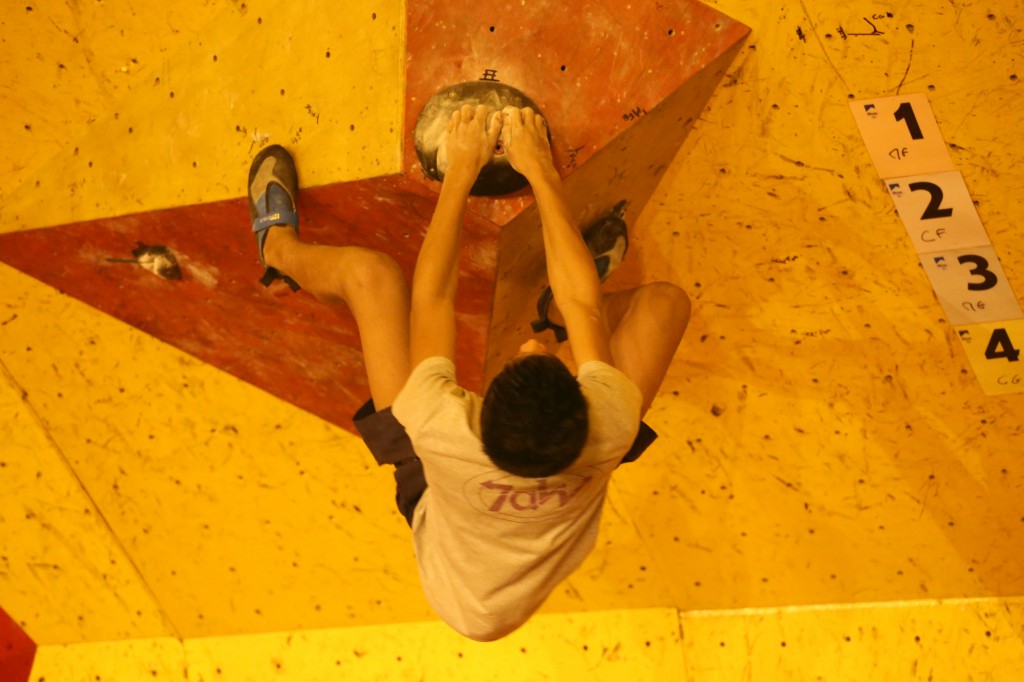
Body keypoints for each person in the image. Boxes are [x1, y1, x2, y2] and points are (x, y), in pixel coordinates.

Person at [247, 104, 691, 641]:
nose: (525, 342)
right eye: (541, 351)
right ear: (584, 399)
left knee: (371, 276)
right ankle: (553, 315)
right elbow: (586, 306)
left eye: (524, 354)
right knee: (664, 305)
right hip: (513, 543)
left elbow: (432, 300)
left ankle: (278, 249)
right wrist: (540, 171)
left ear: (478, 408)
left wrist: (459, 170)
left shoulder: (440, 425)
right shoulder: (610, 420)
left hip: (457, 576)